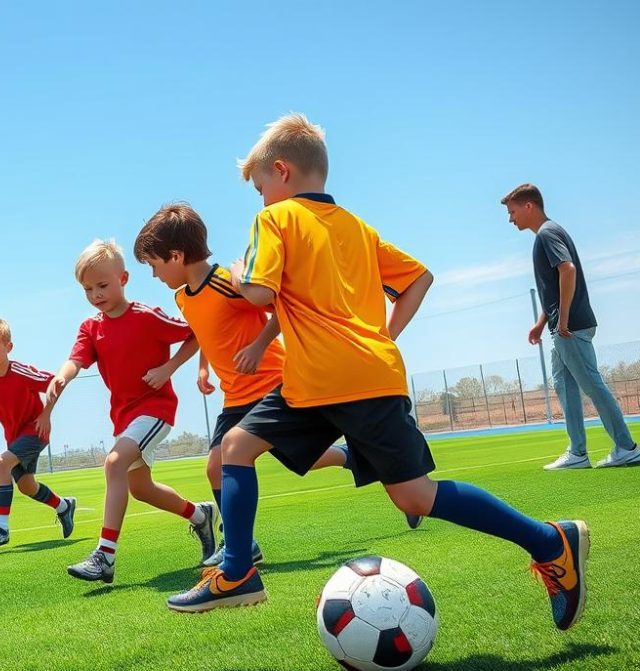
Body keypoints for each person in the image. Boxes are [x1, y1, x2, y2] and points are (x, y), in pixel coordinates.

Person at [166, 114, 587, 634]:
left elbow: (257, 293)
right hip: (332, 379)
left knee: (411, 496)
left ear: (281, 172)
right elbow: (419, 278)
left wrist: (242, 268)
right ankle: (236, 573)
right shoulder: (357, 228)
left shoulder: (274, 221)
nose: (260, 200)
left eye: (259, 189)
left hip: (334, 378)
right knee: (238, 446)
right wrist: (383, 338)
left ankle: (552, 542)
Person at [132, 202, 359, 570]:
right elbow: (208, 332)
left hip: (272, 384)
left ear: (176, 255)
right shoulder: (181, 297)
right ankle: (243, 543)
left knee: (293, 457)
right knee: (216, 466)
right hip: (234, 395)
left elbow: (282, 307)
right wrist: (202, 369)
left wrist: (259, 345)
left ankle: (351, 457)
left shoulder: (227, 282)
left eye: (155, 265)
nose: (155, 275)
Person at [41, 239, 215, 584]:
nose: (96, 295)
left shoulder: (146, 316)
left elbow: (196, 334)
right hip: (124, 417)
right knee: (141, 488)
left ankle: (105, 556)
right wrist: (62, 377)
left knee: (113, 462)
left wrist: (169, 368)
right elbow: (75, 360)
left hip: (155, 409)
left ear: (123, 279)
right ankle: (200, 516)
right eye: (88, 289)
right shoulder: (91, 328)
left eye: (102, 286)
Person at [502, 183, 640, 469]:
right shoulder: (549, 233)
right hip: (562, 327)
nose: (511, 219)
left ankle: (626, 448)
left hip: (570, 327)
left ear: (529, 206)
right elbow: (554, 285)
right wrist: (542, 323)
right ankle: (578, 452)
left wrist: (562, 319)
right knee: (564, 385)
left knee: (591, 384)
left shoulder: (547, 234)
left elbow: (567, 270)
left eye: (513, 212)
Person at [0, 318, 77, 547]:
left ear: (9, 347)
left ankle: (2, 528)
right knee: (27, 486)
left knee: (1, 464)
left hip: (35, 431)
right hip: (15, 437)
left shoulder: (20, 371)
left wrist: (46, 414)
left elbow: (55, 383)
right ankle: (64, 506)